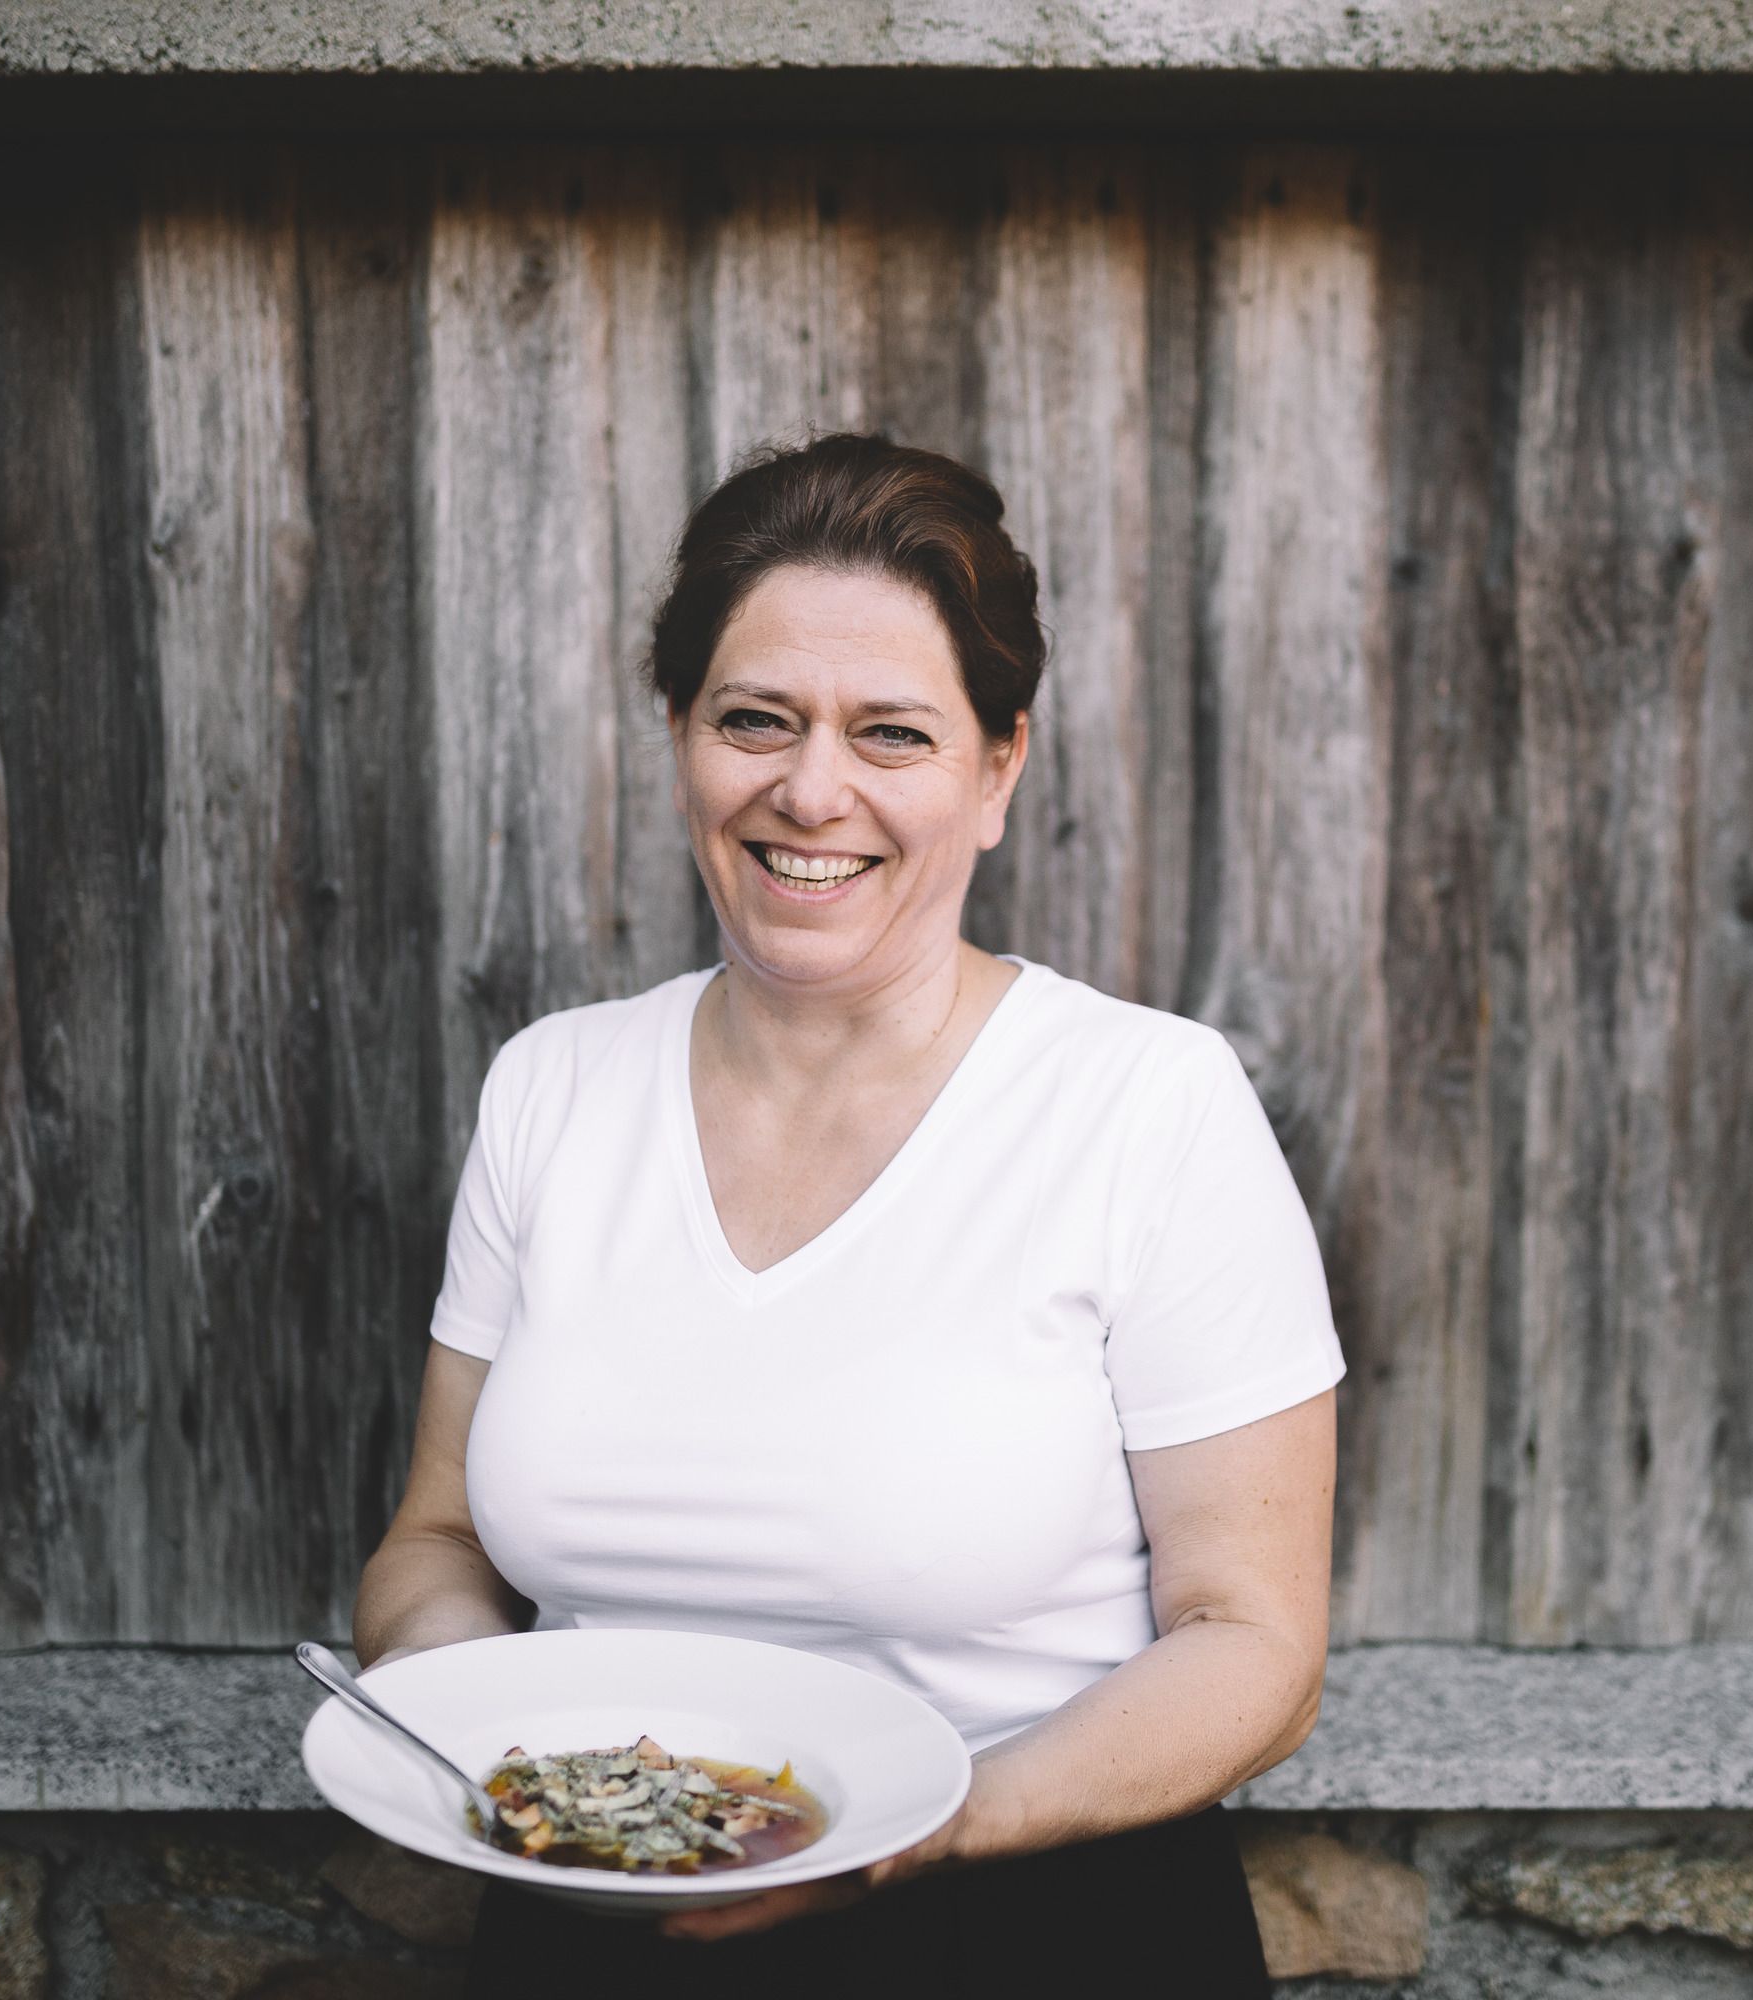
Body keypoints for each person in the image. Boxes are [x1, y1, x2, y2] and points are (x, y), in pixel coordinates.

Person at [353, 433, 1345, 1994]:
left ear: (996, 770)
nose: (811, 789)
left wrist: (932, 1828)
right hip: (594, 1917)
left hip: (1028, 1930)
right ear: (682, 734)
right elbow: (440, 1541)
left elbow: (1256, 1649)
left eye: (893, 733)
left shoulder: (1145, 1107)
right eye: (756, 719)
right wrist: (479, 1739)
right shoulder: (554, 1091)